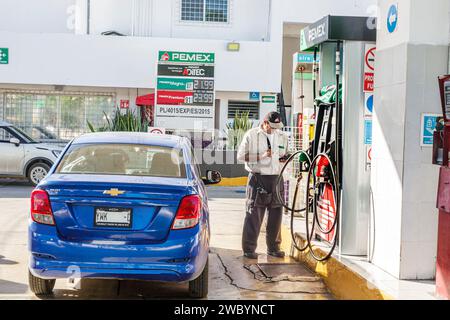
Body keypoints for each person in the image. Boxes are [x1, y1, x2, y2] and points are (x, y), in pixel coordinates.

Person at [237, 111, 289, 259]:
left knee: (276, 215)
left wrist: (284, 159)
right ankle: (249, 249)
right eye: (272, 127)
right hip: (258, 178)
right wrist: (261, 156)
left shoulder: (282, 137)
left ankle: (273, 248)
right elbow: (240, 156)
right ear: (265, 122)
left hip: (277, 178)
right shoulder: (252, 135)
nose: (274, 130)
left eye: (277, 127)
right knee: (254, 215)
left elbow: (285, 153)